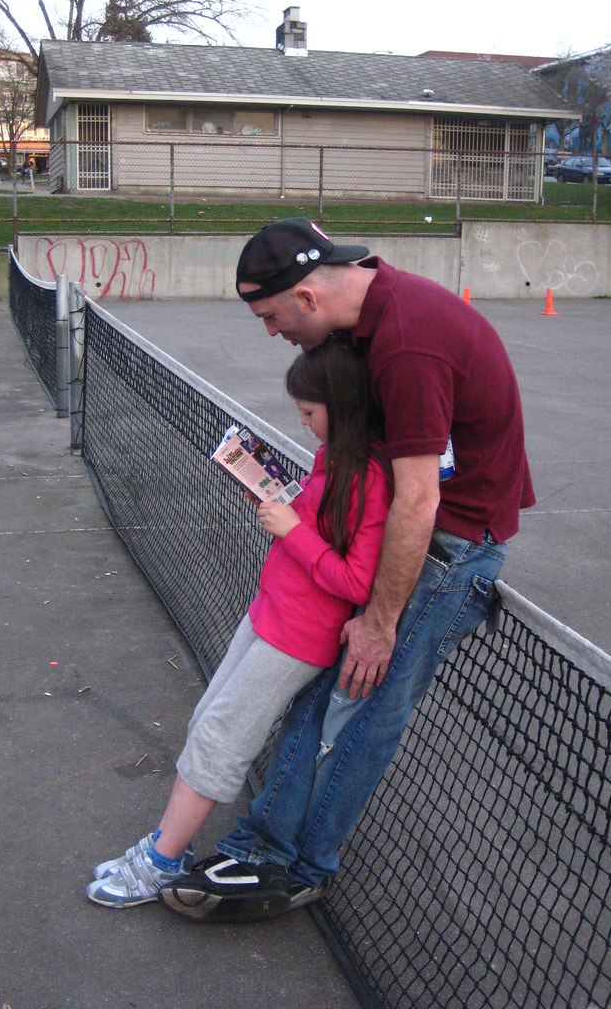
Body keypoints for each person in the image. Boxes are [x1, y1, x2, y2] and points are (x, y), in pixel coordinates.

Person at [159, 217, 535, 922]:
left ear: (307, 297)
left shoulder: (407, 342)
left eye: (272, 317)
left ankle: (297, 867)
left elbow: (418, 499)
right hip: (410, 534)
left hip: (446, 549)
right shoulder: (366, 320)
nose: (272, 332)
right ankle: (266, 846)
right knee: (328, 701)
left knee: (362, 712)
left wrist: (380, 622)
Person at [86, 336, 393, 911]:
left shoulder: (371, 477)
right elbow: (319, 527)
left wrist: (292, 530)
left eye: (310, 412)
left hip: (298, 638)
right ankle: (168, 846)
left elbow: (357, 580)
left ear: (343, 405)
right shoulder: (332, 457)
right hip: (269, 611)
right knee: (206, 719)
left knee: (220, 739)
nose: (303, 423)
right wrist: (282, 504)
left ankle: (161, 862)